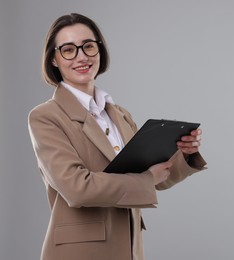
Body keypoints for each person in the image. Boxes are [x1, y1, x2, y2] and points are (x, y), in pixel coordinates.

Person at [28, 13, 207, 260]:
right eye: (69, 50)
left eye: (88, 46)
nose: (82, 56)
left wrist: (184, 156)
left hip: (129, 248)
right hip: (79, 252)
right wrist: (147, 179)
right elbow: (77, 188)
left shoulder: (119, 114)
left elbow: (154, 177)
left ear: (99, 51)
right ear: (54, 60)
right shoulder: (46, 116)